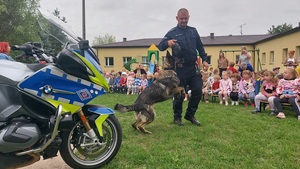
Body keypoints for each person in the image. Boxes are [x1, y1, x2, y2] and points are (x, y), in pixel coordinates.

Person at [158, 8, 209, 126]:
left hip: (192, 67)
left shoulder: (193, 31)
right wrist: (167, 43)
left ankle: (190, 114)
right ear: (177, 18)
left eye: (186, 18)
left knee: (197, 90)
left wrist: (205, 59)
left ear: (189, 18)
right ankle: (177, 117)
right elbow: (160, 46)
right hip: (179, 68)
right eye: (182, 18)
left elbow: (200, 47)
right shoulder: (172, 32)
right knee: (179, 94)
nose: (184, 21)